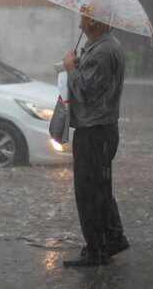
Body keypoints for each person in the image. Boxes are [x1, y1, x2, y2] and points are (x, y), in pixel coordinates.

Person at [62, 15, 129, 267]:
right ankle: (112, 239)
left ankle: (97, 251)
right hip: (99, 130)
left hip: (95, 131)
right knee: (100, 189)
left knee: (89, 192)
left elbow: (86, 91)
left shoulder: (104, 51)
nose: (79, 18)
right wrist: (77, 64)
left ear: (94, 22)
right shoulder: (102, 47)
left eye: (84, 14)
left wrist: (70, 68)